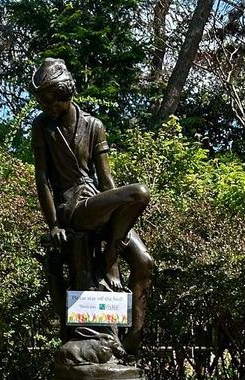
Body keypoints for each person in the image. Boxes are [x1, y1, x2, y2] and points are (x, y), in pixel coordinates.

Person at [29, 57, 156, 354]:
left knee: (144, 261)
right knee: (139, 193)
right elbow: (43, 179)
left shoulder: (93, 126)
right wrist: (54, 224)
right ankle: (111, 248)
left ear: (65, 94)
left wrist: (117, 215)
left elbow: (106, 179)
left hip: (96, 202)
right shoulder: (42, 127)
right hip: (73, 208)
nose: (44, 108)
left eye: (48, 102)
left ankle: (132, 340)